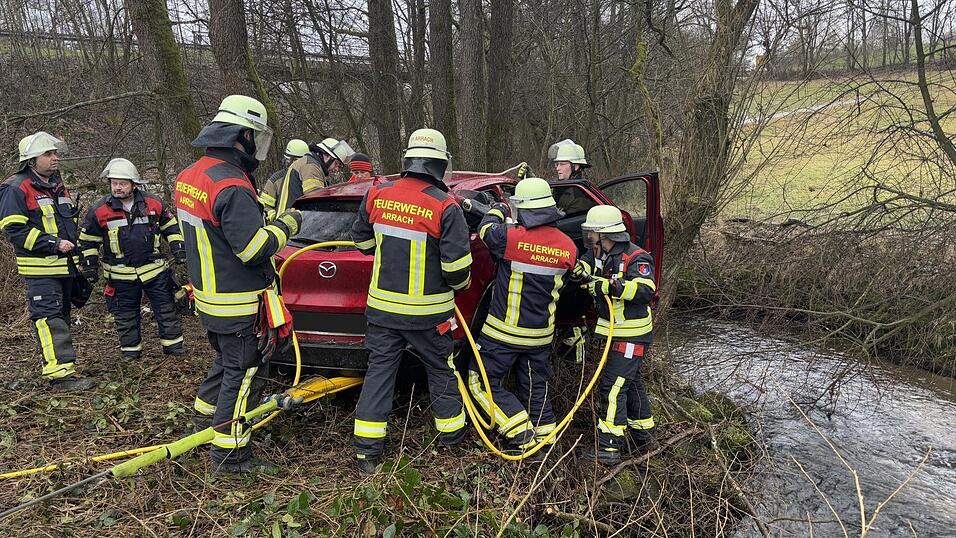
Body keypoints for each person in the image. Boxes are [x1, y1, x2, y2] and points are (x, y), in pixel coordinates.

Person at [174, 94, 302, 474]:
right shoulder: (232, 185)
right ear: (242, 136)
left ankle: (204, 421)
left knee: (225, 362)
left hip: (210, 299)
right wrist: (287, 226)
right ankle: (230, 455)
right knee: (244, 373)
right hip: (238, 301)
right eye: (256, 138)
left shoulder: (191, 176)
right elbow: (252, 249)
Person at [350, 128, 471, 474]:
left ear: (408, 160)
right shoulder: (446, 206)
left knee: (380, 373)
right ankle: (450, 439)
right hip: (429, 315)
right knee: (441, 370)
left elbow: (361, 241)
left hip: (383, 311)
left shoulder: (377, 194)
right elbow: (457, 273)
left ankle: (367, 453)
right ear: (439, 164)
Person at [466, 177, 576, 450]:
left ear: (524, 209)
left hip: (502, 334)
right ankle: (546, 443)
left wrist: (498, 208)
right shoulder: (569, 247)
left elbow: (486, 229)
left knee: (479, 382)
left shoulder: (511, 238)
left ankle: (519, 432)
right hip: (540, 336)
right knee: (536, 387)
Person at [0, 132, 94, 391]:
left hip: (64, 267)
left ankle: (64, 367)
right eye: (48, 154)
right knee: (49, 318)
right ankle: (60, 376)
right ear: (31, 160)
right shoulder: (16, 188)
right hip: (41, 270)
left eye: (55, 153)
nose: (55, 158)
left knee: (61, 317)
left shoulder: (56, 185)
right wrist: (53, 244)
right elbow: (15, 231)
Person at [573, 205, 657, 464]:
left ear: (605, 233)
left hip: (631, 336)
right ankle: (645, 436)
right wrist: (579, 271)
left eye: (593, 233)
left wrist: (610, 286)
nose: (590, 238)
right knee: (631, 384)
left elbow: (645, 290)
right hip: (615, 334)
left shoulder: (636, 258)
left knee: (612, 387)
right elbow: (587, 268)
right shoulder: (600, 254)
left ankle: (609, 447)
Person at [79, 158, 185, 359]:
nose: (117, 188)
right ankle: (131, 354)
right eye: (114, 183)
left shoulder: (152, 203)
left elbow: (171, 227)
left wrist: (178, 248)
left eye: (122, 183)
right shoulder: (99, 210)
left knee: (166, 309)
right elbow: (87, 241)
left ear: (134, 185)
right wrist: (89, 266)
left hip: (154, 271)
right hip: (120, 275)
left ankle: (174, 350)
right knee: (125, 315)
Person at [273, 137, 354, 215]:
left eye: (339, 166)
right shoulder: (311, 167)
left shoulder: (311, 164)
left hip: (290, 220)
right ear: (326, 156)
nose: (337, 169)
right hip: (291, 222)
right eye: (336, 163)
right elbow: (316, 203)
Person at [260, 139, 309, 221]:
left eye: (290, 160)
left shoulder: (309, 178)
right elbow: (265, 205)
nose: (288, 163)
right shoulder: (276, 180)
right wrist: (274, 217)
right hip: (282, 228)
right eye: (287, 159)